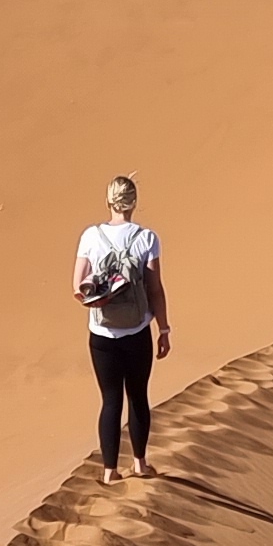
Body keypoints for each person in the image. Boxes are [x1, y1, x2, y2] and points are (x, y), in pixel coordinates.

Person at [73, 174, 170, 479]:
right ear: (134, 203)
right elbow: (155, 289)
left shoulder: (91, 236)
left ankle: (109, 472)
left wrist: (98, 298)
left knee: (110, 400)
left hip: (102, 334)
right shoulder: (147, 239)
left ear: (109, 201)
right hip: (137, 331)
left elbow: (77, 287)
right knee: (138, 396)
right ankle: (140, 464)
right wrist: (163, 329)